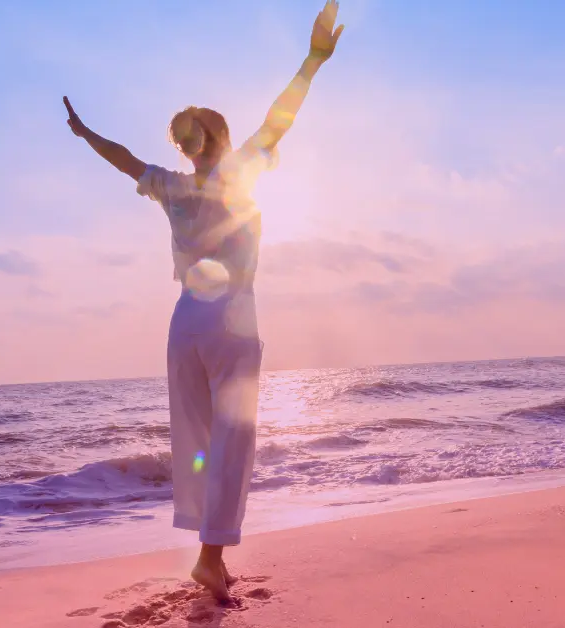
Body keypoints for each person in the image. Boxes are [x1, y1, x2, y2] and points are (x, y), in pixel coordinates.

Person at [62, 1, 344, 604]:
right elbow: (279, 119)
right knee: (232, 439)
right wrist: (315, 59)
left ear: (188, 143)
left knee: (195, 439)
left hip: (185, 319)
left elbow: (123, 160)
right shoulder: (237, 173)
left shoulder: (173, 185)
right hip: (232, 316)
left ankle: (206, 552)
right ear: (219, 136)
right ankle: (210, 560)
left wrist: (85, 134)